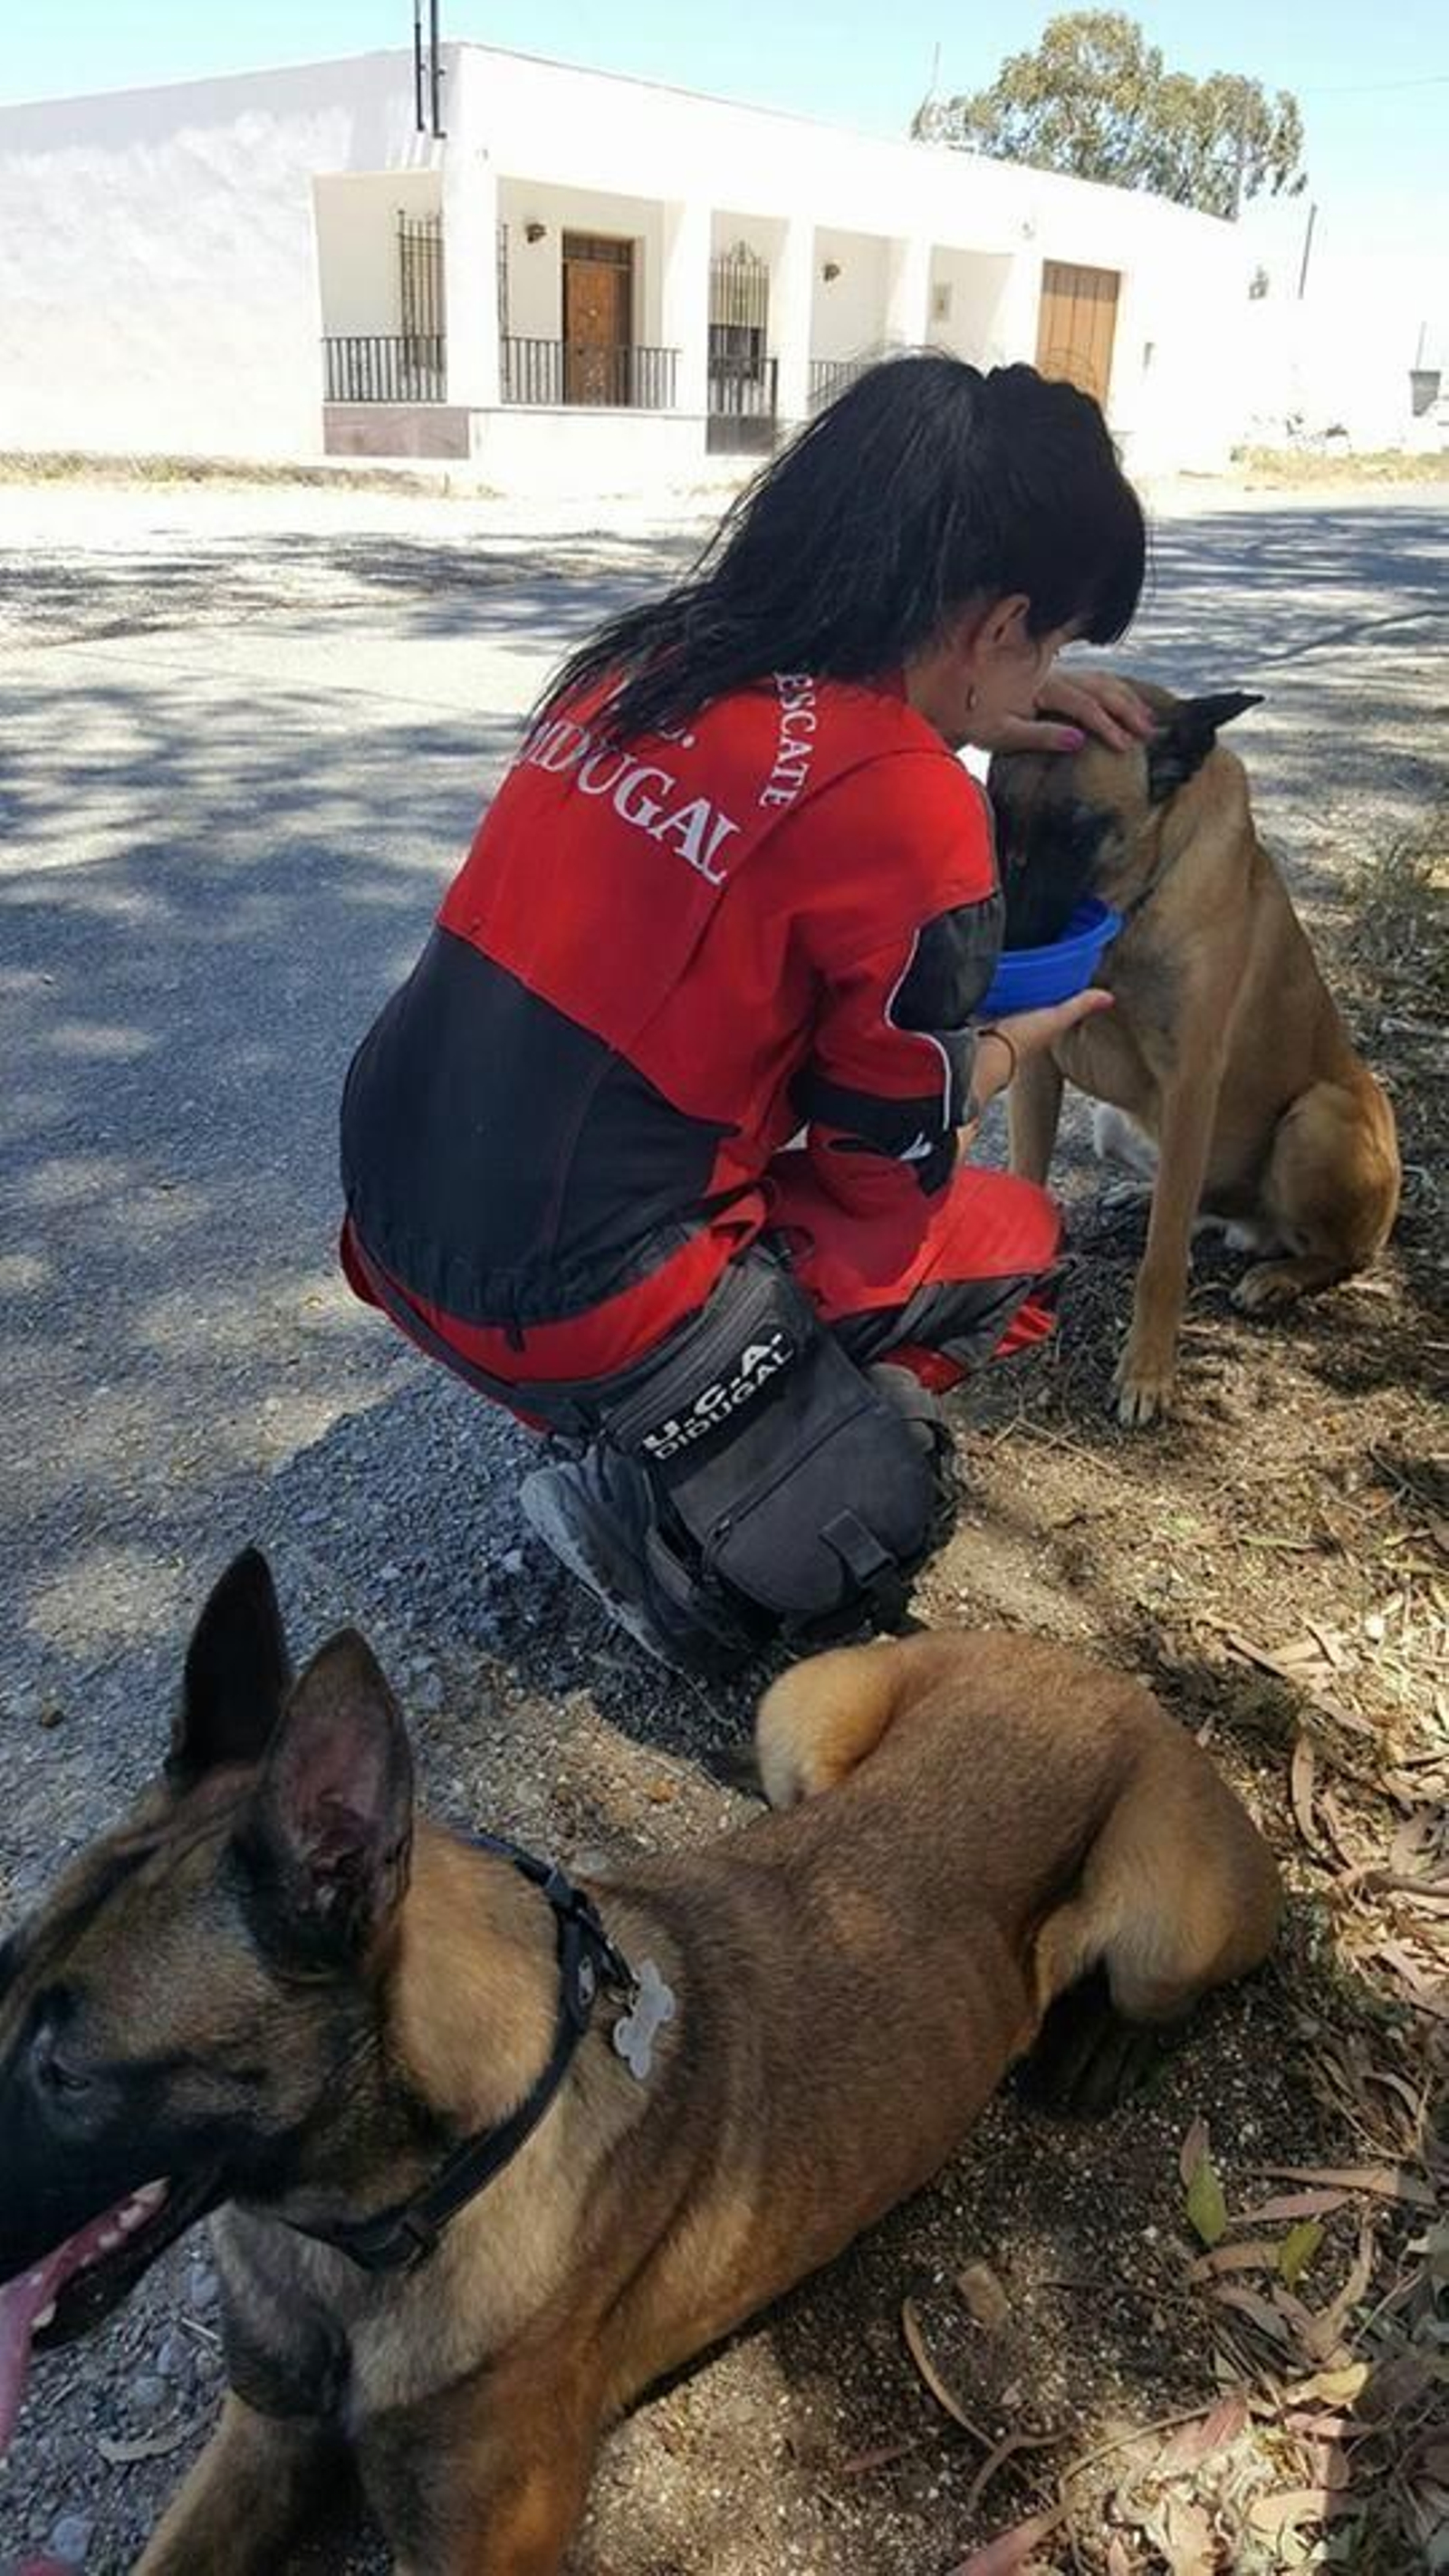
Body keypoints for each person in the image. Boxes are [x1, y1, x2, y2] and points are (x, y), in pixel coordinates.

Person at [340, 354, 1153, 1672]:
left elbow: (785, 784)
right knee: (1015, 1240)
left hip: (393, 1218)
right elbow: (882, 1189)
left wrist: (962, 702)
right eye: (1049, 644)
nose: (1047, 676)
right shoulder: (909, 807)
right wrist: (994, 1054)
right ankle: (683, 1495)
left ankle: (653, 1413)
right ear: (999, 622)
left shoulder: (646, 663)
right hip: (562, 1301)